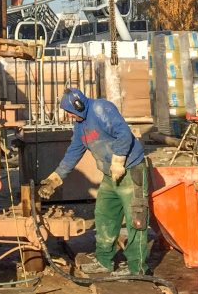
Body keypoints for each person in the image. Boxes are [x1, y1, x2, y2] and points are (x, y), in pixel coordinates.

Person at [37, 87, 149, 277]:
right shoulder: (81, 125)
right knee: (104, 215)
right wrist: (56, 177)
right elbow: (74, 151)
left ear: (78, 106)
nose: (70, 117)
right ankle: (104, 261)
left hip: (130, 170)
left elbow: (123, 133)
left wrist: (118, 161)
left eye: (70, 113)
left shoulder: (100, 109)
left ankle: (136, 268)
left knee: (135, 219)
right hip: (110, 175)